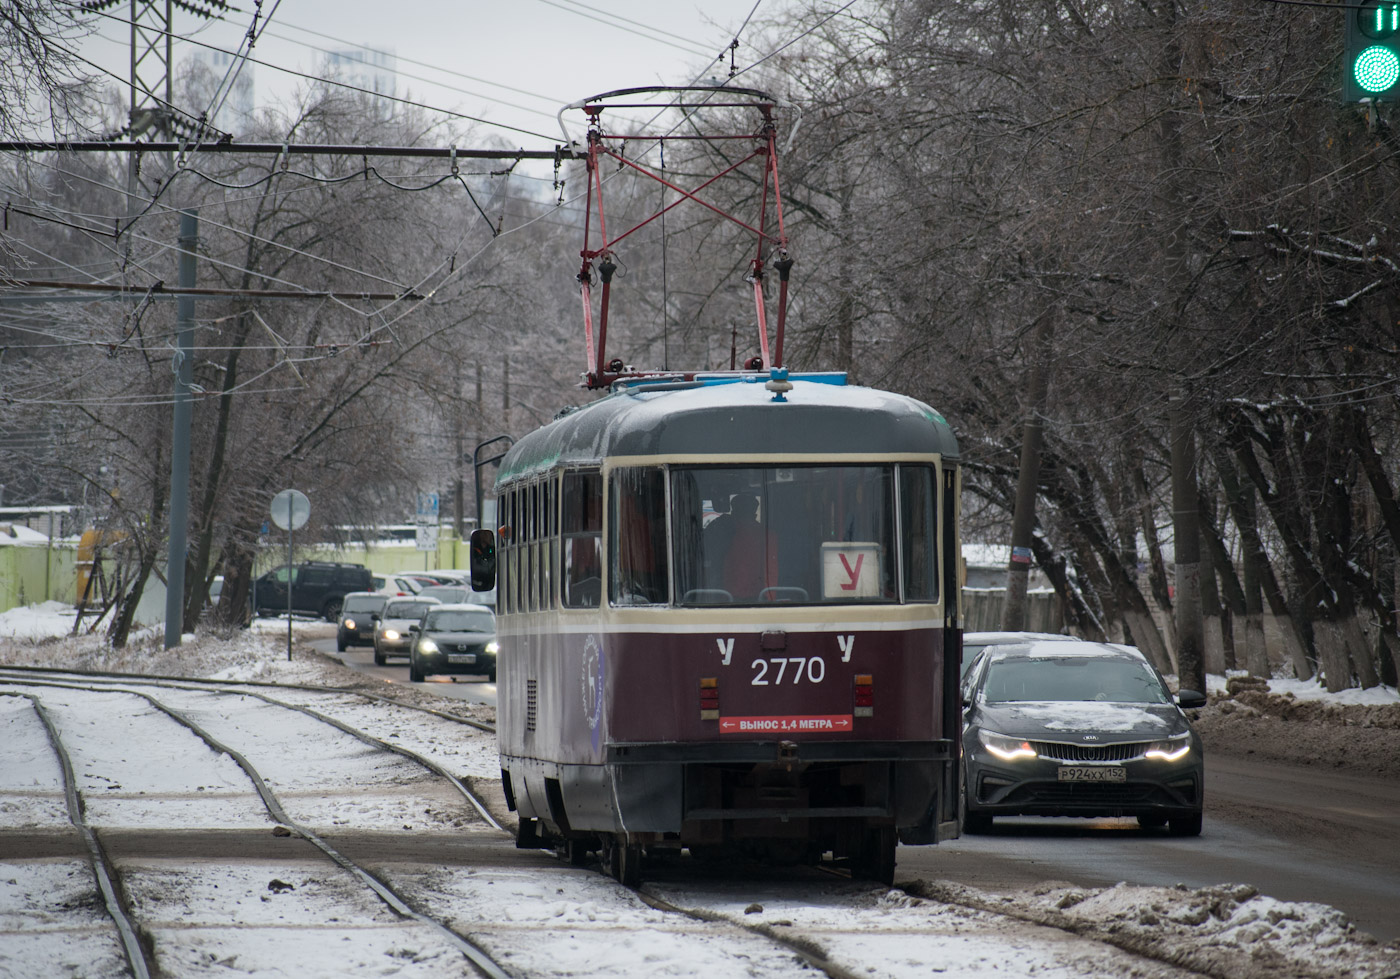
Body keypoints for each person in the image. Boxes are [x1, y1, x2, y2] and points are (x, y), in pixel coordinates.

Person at [721, 494, 778, 601]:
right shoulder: (769, 535)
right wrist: (770, 598)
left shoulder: (727, 534)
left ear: (735, 512)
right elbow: (772, 569)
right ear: (754, 512)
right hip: (762, 596)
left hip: (731, 597)